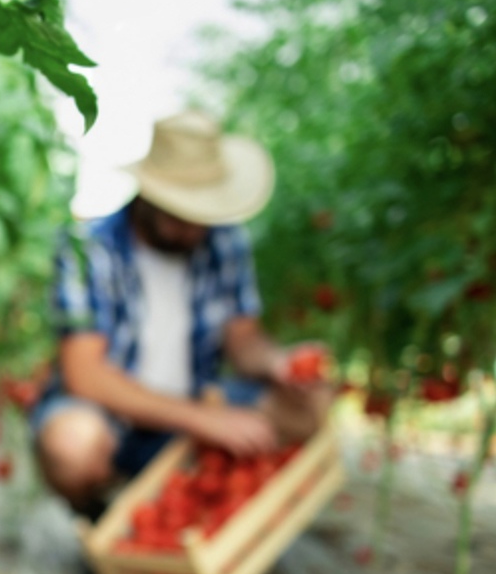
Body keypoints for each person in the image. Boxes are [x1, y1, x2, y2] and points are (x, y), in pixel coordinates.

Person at [32, 110, 332, 518]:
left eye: (202, 215)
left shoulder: (224, 242)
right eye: (180, 214)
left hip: (196, 408)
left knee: (314, 402)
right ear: (149, 195)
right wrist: (205, 420)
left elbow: (243, 340)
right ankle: (101, 515)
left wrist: (276, 362)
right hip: (116, 421)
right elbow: (85, 375)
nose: (194, 229)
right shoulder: (88, 248)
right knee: (72, 444)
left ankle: (207, 501)